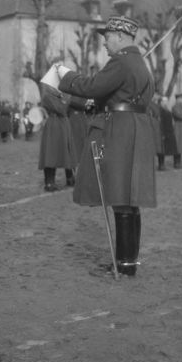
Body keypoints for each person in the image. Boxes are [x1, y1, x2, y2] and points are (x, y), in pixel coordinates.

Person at [56, 15, 156, 277]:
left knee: (121, 198)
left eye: (108, 37)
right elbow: (121, 97)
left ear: (121, 37)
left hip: (119, 131)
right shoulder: (140, 64)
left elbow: (93, 86)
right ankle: (128, 261)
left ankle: (124, 267)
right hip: (134, 127)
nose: (105, 43)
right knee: (129, 199)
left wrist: (66, 76)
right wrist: (101, 104)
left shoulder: (121, 61)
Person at [38, 83, 77, 191]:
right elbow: (61, 109)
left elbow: (68, 111)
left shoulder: (61, 96)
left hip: (64, 124)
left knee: (66, 151)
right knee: (51, 153)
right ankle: (49, 182)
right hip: (54, 126)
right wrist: (66, 98)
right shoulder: (47, 96)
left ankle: (70, 177)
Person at [159, 96, 179, 168]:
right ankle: (161, 165)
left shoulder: (167, 109)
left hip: (170, 131)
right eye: (164, 101)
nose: (166, 102)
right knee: (162, 149)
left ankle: (176, 163)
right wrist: (162, 134)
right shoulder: (160, 110)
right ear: (161, 102)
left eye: (167, 101)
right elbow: (160, 123)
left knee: (174, 148)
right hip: (164, 132)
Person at [147, 93, 164, 170]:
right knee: (153, 147)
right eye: (156, 95)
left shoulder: (156, 104)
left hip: (157, 126)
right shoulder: (149, 104)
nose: (157, 97)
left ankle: (161, 165)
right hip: (153, 126)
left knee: (159, 147)